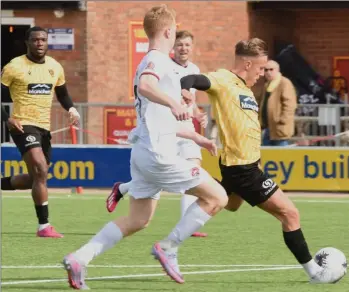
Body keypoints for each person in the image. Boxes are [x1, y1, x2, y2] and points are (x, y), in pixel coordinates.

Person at [62, 5, 227, 290]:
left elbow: (159, 118)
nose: (176, 36)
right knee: (217, 198)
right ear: (167, 31)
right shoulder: (157, 60)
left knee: (138, 219)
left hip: (144, 151)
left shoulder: (157, 62)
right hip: (158, 155)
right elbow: (145, 86)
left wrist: (197, 138)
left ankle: (80, 258)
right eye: (175, 31)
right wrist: (176, 103)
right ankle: (169, 247)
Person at [180, 38, 344, 284]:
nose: (262, 74)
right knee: (290, 214)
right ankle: (315, 273)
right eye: (260, 68)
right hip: (242, 168)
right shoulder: (224, 79)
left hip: (245, 165)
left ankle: (183, 178)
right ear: (247, 64)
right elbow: (191, 80)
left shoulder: (246, 89)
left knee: (230, 204)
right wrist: (186, 93)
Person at [106, 30, 209, 238]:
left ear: (192, 47)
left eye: (187, 45)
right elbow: (156, 91)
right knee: (158, 180)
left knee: (193, 167)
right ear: (173, 46)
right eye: (180, 45)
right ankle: (124, 188)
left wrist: (198, 115)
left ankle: (187, 224)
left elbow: (191, 101)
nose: (183, 49)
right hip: (166, 128)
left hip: (186, 127)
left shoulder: (195, 69)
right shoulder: (164, 66)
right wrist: (178, 96)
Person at [1, 26, 80, 238]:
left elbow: (62, 94)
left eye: (43, 40)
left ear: (47, 42)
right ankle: (44, 226)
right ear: (27, 42)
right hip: (22, 125)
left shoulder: (55, 67)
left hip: (44, 127)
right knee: (39, 167)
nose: (39, 44)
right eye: (35, 40)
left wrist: (71, 109)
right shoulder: (14, 66)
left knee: (37, 176)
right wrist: (7, 119)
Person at [259, 60, 297, 146]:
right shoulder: (267, 85)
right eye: (266, 70)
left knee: (282, 156)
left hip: (279, 128)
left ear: (277, 70)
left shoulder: (284, 83)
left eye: (271, 69)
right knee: (266, 156)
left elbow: (290, 105)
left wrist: (283, 120)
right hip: (268, 128)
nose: (268, 72)